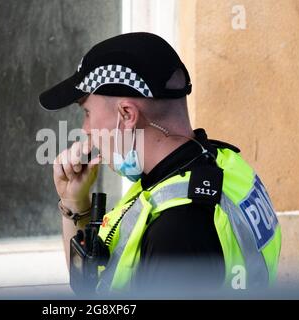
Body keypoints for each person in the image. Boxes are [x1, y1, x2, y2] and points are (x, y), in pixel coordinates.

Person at [39, 32, 281, 296]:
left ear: (127, 114)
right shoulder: (215, 163)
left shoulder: (177, 232)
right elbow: (89, 285)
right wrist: (75, 204)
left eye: (87, 113)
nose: (85, 129)